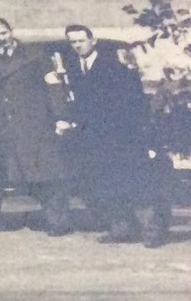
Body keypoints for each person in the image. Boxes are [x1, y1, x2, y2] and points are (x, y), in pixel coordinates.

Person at [59, 24, 170, 248]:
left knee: (136, 183)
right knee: (105, 183)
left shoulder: (115, 66)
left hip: (122, 136)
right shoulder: (73, 67)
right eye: (73, 42)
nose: (78, 45)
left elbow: (135, 101)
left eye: (81, 40)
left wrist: (139, 134)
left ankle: (152, 232)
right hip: (93, 137)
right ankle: (121, 228)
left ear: (92, 40)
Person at [0, 16, 71, 235]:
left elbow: (53, 87)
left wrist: (60, 116)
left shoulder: (35, 54)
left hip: (36, 123)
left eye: (3, 33)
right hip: (6, 126)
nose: (1, 38)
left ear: (11, 30)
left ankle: (58, 222)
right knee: (19, 175)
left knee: (47, 174)